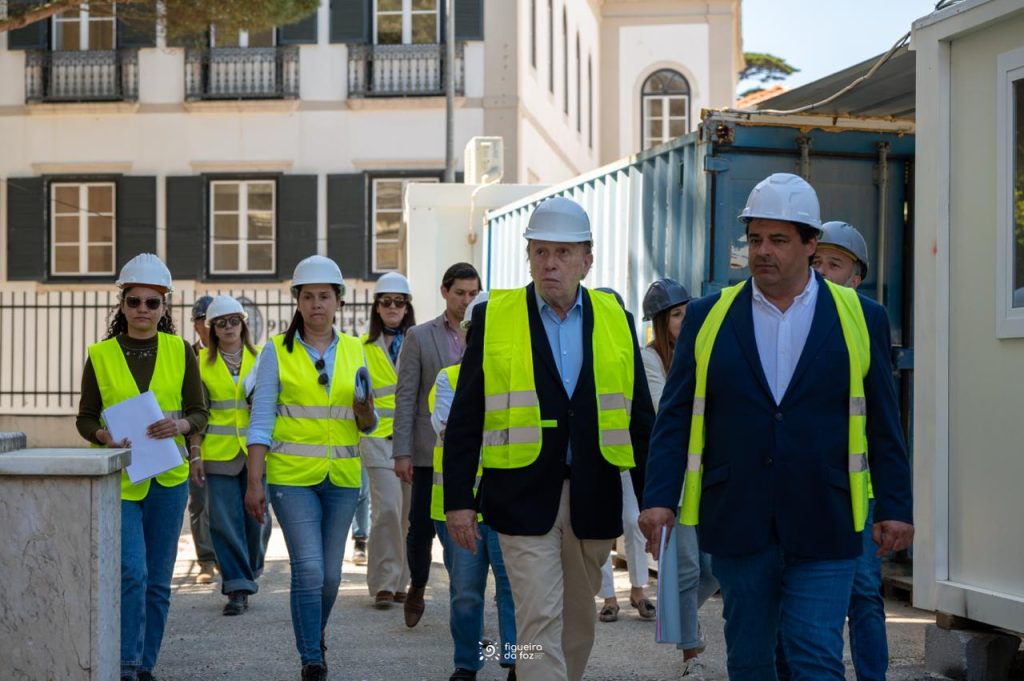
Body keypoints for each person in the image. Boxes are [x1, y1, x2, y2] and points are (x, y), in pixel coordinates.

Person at [639, 173, 914, 681]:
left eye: (779, 240)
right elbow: (675, 416)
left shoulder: (861, 317)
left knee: (814, 657)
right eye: (756, 238)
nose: (763, 251)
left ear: (812, 244)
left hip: (827, 517)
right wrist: (658, 497)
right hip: (740, 518)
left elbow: (882, 421)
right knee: (750, 660)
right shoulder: (708, 317)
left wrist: (895, 507)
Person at [443, 197, 655, 681]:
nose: (550, 263)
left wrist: (653, 500)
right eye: (540, 252)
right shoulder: (496, 316)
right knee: (538, 617)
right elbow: (466, 417)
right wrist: (459, 500)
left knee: (578, 623)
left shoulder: (615, 319)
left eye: (562, 252)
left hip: (594, 493)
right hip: (520, 495)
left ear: (587, 259)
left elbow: (641, 419)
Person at [244, 255, 377, 681]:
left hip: (341, 479)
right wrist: (254, 482)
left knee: (332, 577)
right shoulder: (274, 353)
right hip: (290, 480)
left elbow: (368, 424)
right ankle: (311, 658)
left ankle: (314, 633)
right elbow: (261, 419)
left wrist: (365, 411)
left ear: (338, 301)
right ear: (297, 302)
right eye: (308, 296)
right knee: (310, 569)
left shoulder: (357, 350)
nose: (317, 304)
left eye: (325, 296)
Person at [76, 253, 208, 681]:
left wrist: (182, 424)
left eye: (153, 303)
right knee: (132, 570)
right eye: (134, 301)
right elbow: (86, 418)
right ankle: (127, 662)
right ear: (122, 304)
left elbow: (200, 413)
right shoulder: (99, 355)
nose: (143, 311)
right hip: (121, 479)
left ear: (165, 306)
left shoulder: (181, 350)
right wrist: (103, 437)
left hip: (167, 479)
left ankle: (146, 662)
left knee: (157, 579)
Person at [810, 220, 888, 681]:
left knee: (862, 592)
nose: (821, 272)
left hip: (858, 487)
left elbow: (882, 416)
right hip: (809, 481)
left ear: (855, 279)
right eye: (817, 261)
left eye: (834, 265)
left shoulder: (867, 318)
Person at [429, 292, 517, 681]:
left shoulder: (519, 380)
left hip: (507, 502)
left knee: (513, 593)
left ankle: (517, 661)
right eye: (473, 332)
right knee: (466, 593)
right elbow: (453, 432)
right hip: (464, 504)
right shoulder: (448, 379)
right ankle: (467, 663)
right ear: (464, 337)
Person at [393, 262, 481, 627]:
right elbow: (406, 395)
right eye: (460, 293)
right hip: (430, 449)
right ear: (444, 292)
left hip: (474, 456)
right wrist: (402, 451)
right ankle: (418, 583)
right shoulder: (420, 336)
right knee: (421, 527)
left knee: (462, 529)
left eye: (473, 293)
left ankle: (462, 599)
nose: (466, 300)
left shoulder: (487, 332)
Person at [640, 278, 718, 677]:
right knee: (687, 568)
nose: (686, 320)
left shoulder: (705, 350)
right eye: (676, 315)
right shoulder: (650, 360)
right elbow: (666, 411)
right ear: (659, 321)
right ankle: (691, 655)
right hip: (677, 480)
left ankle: (681, 617)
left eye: (687, 311)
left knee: (714, 569)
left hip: (709, 476)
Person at [192, 295, 271, 617]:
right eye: (220, 323)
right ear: (211, 328)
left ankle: (249, 572)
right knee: (224, 522)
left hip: (257, 451)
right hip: (218, 454)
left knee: (258, 522)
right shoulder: (200, 364)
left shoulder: (264, 358)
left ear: (243, 324)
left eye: (233, 321)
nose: (228, 328)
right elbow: (196, 412)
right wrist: (195, 454)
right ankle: (236, 587)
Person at [591, 287, 655, 626]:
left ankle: (638, 590)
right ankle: (609, 598)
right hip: (593, 457)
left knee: (632, 520)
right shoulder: (588, 351)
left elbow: (641, 408)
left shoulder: (626, 352)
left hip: (624, 456)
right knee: (601, 526)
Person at [359, 272, 415, 608]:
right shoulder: (362, 348)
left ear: (407, 307)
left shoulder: (420, 341)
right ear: (377, 308)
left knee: (408, 515)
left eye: (399, 301)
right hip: (378, 439)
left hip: (411, 442)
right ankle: (382, 581)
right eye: (386, 302)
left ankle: (400, 582)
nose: (393, 307)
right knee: (387, 510)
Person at [189, 294, 218, 585]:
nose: (208, 326)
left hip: (228, 444)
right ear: (196, 324)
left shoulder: (234, 354)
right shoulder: (189, 356)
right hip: (195, 440)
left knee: (224, 504)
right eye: (203, 320)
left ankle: (225, 557)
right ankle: (206, 561)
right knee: (199, 502)